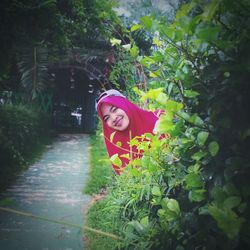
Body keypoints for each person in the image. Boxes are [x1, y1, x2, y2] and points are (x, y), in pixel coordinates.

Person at [96, 89, 163, 174]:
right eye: (107, 118)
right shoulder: (117, 151)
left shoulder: (160, 119)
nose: (113, 118)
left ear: (125, 104)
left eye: (114, 109)